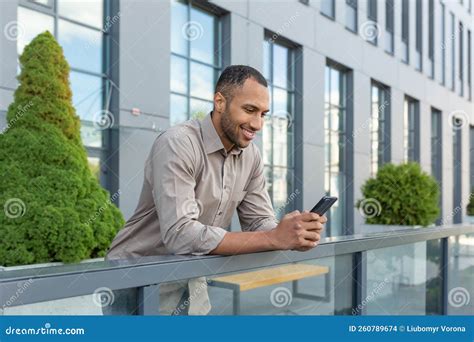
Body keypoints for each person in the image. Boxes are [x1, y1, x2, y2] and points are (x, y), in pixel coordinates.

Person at [102, 65, 327, 315]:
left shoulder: (250, 156)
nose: (258, 124)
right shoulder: (178, 143)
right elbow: (181, 233)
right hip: (136, 279)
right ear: (220, 102)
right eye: (250, 110)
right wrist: (274, 238)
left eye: (264, 114)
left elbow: (258, 222)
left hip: (192, 274)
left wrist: (291, 233)